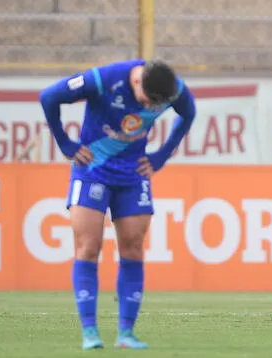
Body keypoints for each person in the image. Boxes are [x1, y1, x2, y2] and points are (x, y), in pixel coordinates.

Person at [39, 59, 197, 349]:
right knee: (88, 246)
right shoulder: (102, 80)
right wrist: (65, 143)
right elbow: (49, 97)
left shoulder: (172, 89)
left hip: (133, 174)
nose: (150, 108)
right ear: (137, 82)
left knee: (133, 246)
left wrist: (161, 155)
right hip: (92, 170)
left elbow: (188, 113)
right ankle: (90, 333)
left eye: (155, 105)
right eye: (148, 101)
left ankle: (126, 334)